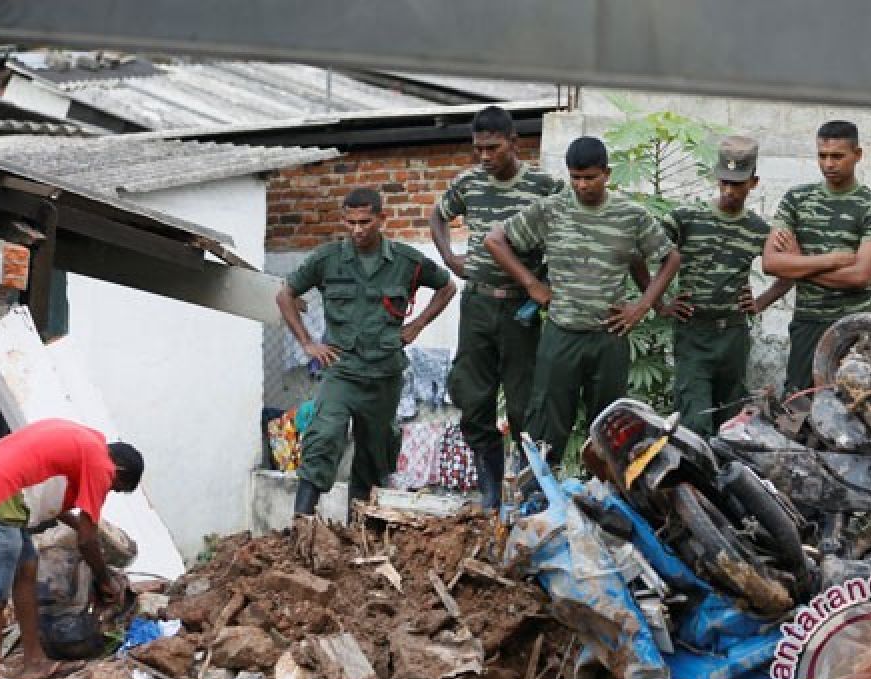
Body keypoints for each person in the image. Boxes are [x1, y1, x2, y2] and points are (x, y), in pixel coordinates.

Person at [484, 136, 682, 465]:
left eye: (589, 177)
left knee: (610, 427)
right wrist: (532, 284)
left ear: (607, 174)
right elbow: (495, 240)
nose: (581, 185)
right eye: (575, 177)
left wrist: (644, 306)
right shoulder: (551, 210)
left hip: (610, 336)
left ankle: (606, 502)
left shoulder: (630, 215)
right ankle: (540, 500)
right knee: (546, 424)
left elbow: (669, 258)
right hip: (562, 334)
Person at [278, 188, 456, 515]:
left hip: (384, 375)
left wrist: (416, 326)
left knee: (374, 457)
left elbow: (447, 287)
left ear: (381, 219)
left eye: (365, 222)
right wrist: (307, 342)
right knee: (323, 437)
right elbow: (285, 295)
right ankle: (300, 525)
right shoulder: (327, 259)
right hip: (342, 370)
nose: (358, 230)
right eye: (351, 222)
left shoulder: (407, 262)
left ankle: (360, 535)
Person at [0, 418, 143, 679]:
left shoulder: (87, 443)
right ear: (118, 471)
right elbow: (87, 541)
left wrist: (82, 525)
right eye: (116, 489)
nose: (109, 491)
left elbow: (54, 499)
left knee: (27, 568)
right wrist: (106, 581)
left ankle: (34, 661)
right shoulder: (101, 465)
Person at [429, 105, 562, 509]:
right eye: (478, 149)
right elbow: (438, 214)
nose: (485, 157)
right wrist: (450, 258)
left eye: (493, 148)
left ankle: (525, 493)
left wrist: (548, 281)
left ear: (513, 143)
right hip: (478, 305)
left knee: (524, 407)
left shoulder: (544, 186)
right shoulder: (469, 182)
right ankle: (488, 494)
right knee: (473, 400)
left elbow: (566, 230)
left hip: (521, 310)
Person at [660, 135, 793, 435]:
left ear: (753, 183)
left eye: (737, 184)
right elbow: (643, 252)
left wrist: (760, 302)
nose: (729, 191)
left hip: (732, 335)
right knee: (695, 422)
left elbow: (790, 271)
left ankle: (726, 480)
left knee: (731, 423)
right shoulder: (686, 219)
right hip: (694, 333)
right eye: (724, 182)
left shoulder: (758, 229)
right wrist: (660, 303)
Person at [763, 119, 871, 392]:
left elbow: (860, 275)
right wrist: (831, 260)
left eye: (837, 156)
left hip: (854, 328)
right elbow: (772, 263)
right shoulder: (796, 200)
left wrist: (798, 263)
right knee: (799, 406)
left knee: (855, 409)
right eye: (822, 156)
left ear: (857, 156)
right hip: (808, 323)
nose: (829, 164)